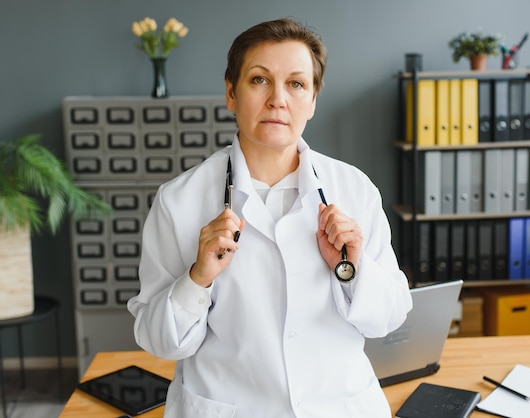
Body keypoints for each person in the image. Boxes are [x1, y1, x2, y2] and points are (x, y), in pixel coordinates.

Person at [128, 17, 412, 418]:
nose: (278, 99)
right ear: (231, 92)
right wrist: (198, 277)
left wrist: (354, 268)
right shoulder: (179, 201)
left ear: (312, 100)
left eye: (296, 84)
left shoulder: (355, 188)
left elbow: (390, 317)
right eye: (259, 80)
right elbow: (158, 341)